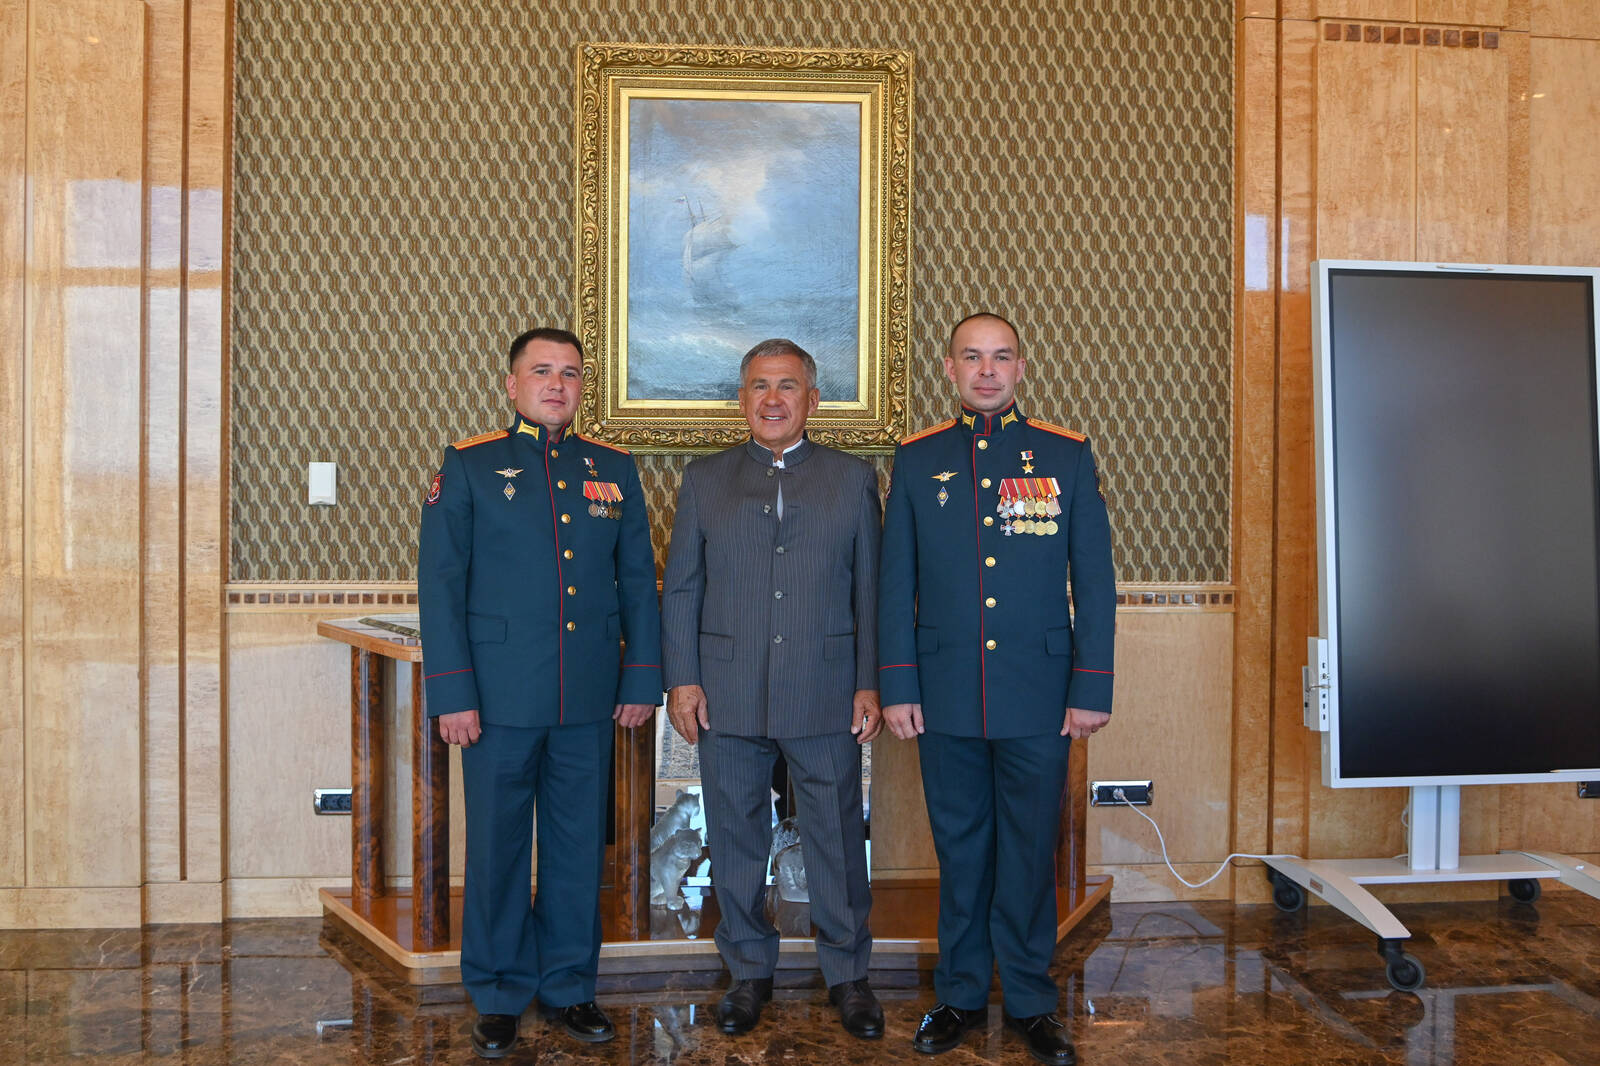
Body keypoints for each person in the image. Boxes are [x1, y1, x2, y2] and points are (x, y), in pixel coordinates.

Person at [417, 327, 662, 1059]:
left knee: (577, 847)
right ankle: (497, 992)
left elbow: (637, 582)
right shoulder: (469, 464)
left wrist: (641, 676)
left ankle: (569, 985)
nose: (558, 384)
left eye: (571, 373)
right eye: (543, 371)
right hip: (495, 699)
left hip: (586, 697)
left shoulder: (613, 468)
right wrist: (451, 693)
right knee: (496, 848)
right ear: (512, 384)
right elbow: (441, 585)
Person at [878, 313, 1114, 1066]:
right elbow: (895, 583)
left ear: (1021, 367)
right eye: (972, 357)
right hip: (943, 691)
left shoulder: (1065, 454)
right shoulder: (917, 458)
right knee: (961, 851)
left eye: (1001, 357)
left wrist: (1091, 685)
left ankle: (1032, 1003)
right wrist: (897, 684)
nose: (987, 371)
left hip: (1039, 693)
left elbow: (1094, 581)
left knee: (1029, 850)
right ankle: (957, 996)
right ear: (949, 368)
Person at [661, 338, 886, 1039]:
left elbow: (870, 591)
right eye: (759, 386)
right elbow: (683, 588)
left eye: (787, 386)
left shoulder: (852, 479)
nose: (773, 399)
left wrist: (869, 682)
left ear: (812, 400)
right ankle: (748, 972)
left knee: (836, 837)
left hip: (825, 686)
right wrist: (682, 680)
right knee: (734, 834)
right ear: (742, 399)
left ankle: (848, 976)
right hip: (726, 688)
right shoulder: (705, 479)